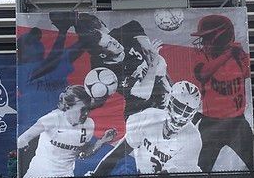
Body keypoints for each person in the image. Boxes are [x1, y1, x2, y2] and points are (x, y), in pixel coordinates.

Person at [29, 12, 171, 116]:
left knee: (161, 67)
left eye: (109, 36)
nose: (115, 40)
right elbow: (141, 94)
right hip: (142, 111)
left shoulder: (124, 31)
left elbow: (151, 54)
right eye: (109, 41)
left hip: (164, 91)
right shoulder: (102, 70)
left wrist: (150, 52)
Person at [89, 81, 202, 176]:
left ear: (193, 114)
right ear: (169, 102)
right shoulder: (148, 118)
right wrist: (94, 177)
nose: (181, 116)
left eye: (187, 112)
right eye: (179, 107)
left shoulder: (192, 138)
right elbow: (117, 154)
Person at [190, 13, 254, 172]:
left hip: (237, 121)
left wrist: (235, 54)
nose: (204, 43)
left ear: (221, 37)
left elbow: (247, 74)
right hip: (211, 123)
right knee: (201, 168)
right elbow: (203, 74)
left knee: (251, 165)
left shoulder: (238, 55)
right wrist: (227, 55)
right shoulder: (202, 56)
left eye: (207, 38)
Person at [17, 85, 115, 178]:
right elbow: (23, 138)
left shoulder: (89, 124)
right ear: (69, 106)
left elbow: (82, 154)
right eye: (82, 109)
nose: (85, 113)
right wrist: (23, 143)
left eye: (87, 109)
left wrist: (101, 141)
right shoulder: (52, 119)